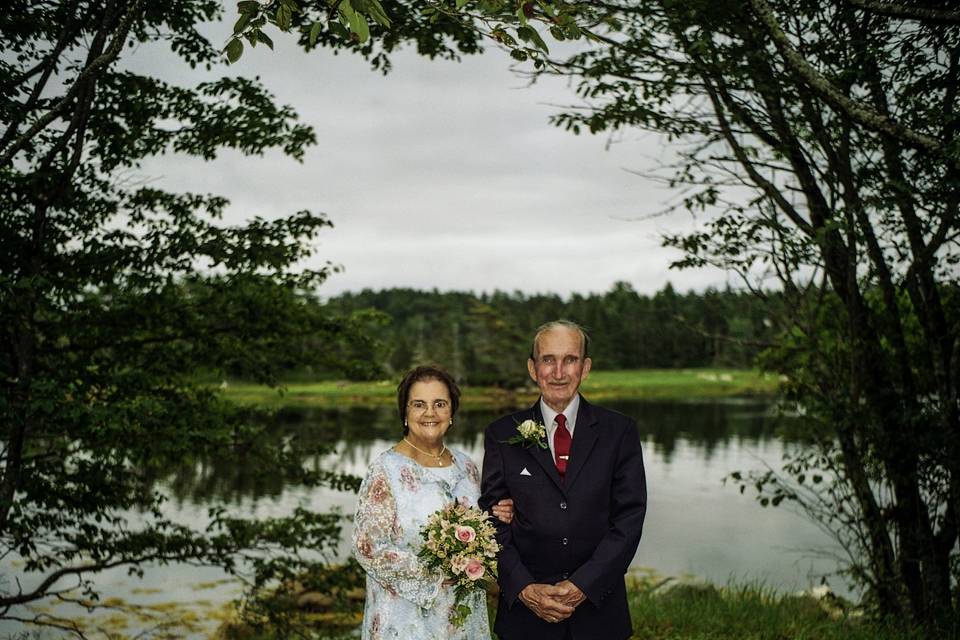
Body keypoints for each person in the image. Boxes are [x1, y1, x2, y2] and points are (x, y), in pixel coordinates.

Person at [480, 321, 647, 640]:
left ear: (585, 368)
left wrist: (584, 584)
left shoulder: (619, 432)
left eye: (569, 359)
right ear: (533, 368)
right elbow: (492, 522)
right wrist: (525, 588)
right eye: (548, 359)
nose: (558, 371)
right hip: (526, 618)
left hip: (600, 614)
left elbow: (629, 519)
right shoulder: (501, 434)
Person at [352, 364, 514, 639]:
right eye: (419, 404)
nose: (430, 413)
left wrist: (501, 514)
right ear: (405, 412)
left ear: (452, 411)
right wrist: (439, 572)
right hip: (405, 621)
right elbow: (367, 547)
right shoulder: (386, 470)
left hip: (463, 618)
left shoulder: (467, 467)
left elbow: (485, 529)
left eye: (440, 403)